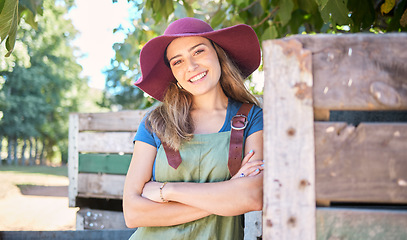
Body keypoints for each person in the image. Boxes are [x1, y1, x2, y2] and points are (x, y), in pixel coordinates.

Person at [123, 17, 264, 240]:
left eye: (198, 51)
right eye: (177, 61)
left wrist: (167, 190)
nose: (191, 66)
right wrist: (228, 195)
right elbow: (132, 212)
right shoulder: (156, 122)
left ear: (218, 54)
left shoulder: (252, 117)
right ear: (174, 75)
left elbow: (253, 196)